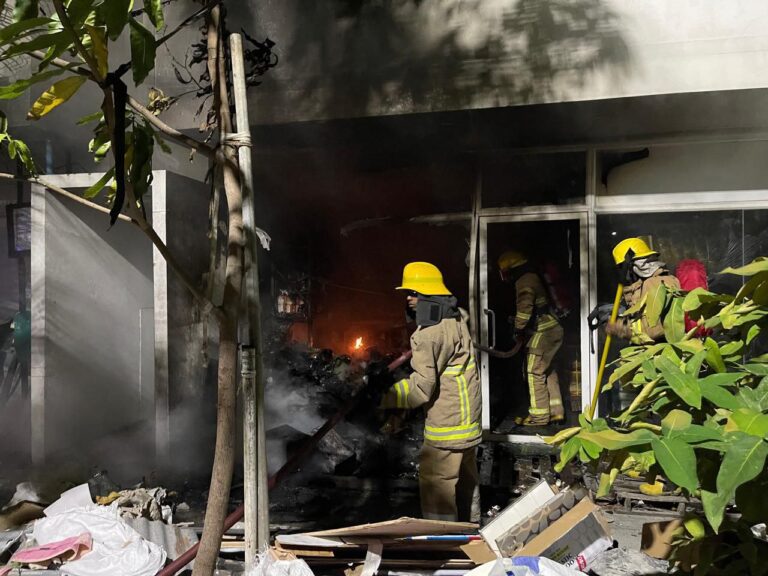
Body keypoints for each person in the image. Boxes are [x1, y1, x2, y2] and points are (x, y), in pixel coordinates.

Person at [379, 262, 481, 522]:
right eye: (408, 293)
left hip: (447, 425)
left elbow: (422, 389)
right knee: (465, 482)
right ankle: (471, 529)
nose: (409, 298)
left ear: (429, 294)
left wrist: (385, 395)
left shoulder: (429, 335)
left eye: (414, 293)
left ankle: (441, 536)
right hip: (468, 420)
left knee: (437, 485)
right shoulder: (456, 317)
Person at [497, 250, 564, 427]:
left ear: (510, 268)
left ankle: (539, 417)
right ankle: (556, 412)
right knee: (548, 371)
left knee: (534, 372)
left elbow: (525, 308)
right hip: (553, 328)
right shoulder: (533, 276)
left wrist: (517, 328)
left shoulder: (524, 281)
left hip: (543, 332)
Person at [604, 238, 681, 344]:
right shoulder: (654, 281)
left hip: (660, 350)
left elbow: (652, 331)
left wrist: (619, 327)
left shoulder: (655, 283)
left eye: (622, 268)